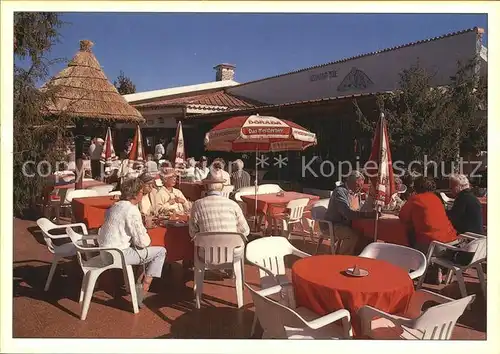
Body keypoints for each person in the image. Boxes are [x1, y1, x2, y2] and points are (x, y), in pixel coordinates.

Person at [97, 178, 166, 307]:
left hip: (105, 251)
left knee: (140, 250)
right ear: (135, 194)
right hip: (118, 254)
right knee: (160, 251)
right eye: (141, 192)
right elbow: (143, 242)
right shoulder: (131, 210)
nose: (142, 194)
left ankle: (135, 284)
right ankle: (142, 291)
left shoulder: (114, 206)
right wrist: (145, 231)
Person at [399, 176, 458, 254]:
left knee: (409, 232)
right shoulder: (437, 198)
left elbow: (403, 216)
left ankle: (411, 257)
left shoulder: (415, 199)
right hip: (452, 241)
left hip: (434, 245)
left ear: (416, 187)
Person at [323, 170, 377, 255]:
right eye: (358, 185)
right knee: (352, 236)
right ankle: (343, 259)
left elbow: (358, 210)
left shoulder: (356, 193)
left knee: (367, 234)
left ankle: (358, 256)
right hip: (334, 224)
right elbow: (348, 214)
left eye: (361, 185)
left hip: (347, 223)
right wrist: (367, 214)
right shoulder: (340, 192)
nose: (360, 188)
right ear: (350, 182)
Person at [189, 169, 250, 239]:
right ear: (222, 187)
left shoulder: (197, 205)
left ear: (206, 186)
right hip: (231, 247)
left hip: (206, 248)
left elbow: (192, 232)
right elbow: (245, 231)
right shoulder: (233, 205)